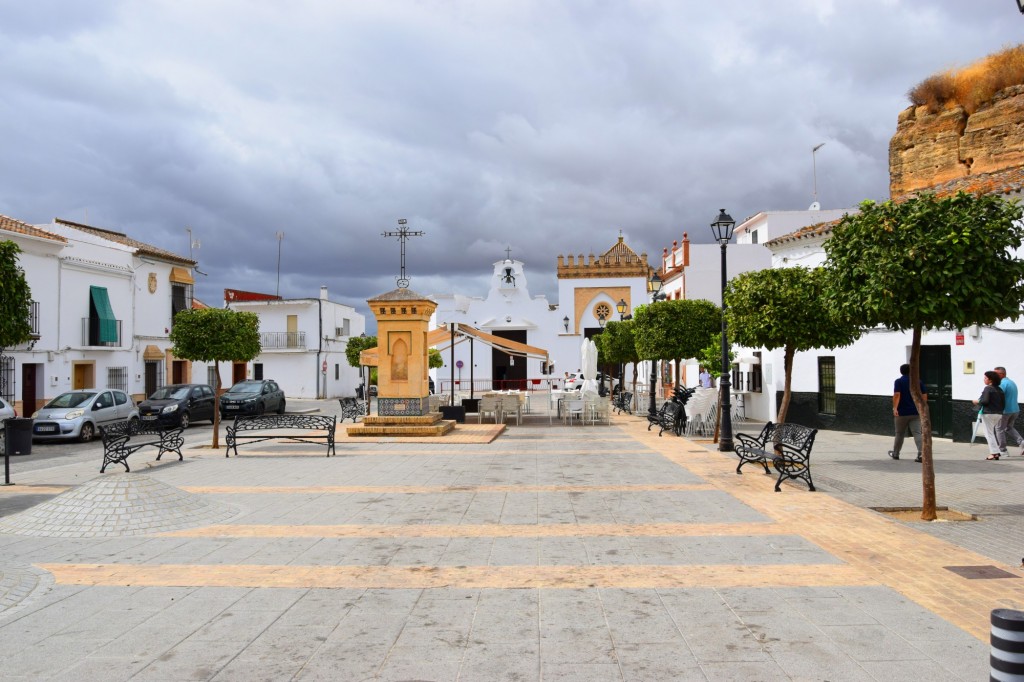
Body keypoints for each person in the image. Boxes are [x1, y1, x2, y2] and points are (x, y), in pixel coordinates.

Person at [889, 363, 927, 462]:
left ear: (901, 371)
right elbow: (924, 395)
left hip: (902, 412)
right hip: (915, 412)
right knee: (917, 433)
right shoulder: (918, 382)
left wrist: (895, 408)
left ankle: (896, 454)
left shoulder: (899, 381)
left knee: (899, 433)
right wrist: (922, 407)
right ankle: (921, 454)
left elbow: (897, 395)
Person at [973, 370, 1006, 460]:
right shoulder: (1000, 390)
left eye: (985, 378)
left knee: (988, 433)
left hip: (988, 413)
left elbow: (985, 401)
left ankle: (994, 453)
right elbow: (1003, 403)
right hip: (999, 414)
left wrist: (976, 401)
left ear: (990, 380)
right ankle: (996, 452)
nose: (984, 379)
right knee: (991, 433)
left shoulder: (988, 388)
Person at [994, 366, 1022, 457]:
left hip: (1005, 411)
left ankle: (1003, 450)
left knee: (999, 429)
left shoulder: (1002, 384)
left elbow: (998, 397)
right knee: (1008, 428)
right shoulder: (1011, 382)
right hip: (1015, 410)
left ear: (1002, 374)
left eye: (996, 374)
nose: (994, 376)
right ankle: (1022, 442)